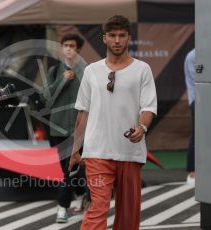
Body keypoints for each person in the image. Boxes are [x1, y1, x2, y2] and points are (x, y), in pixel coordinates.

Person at [68, 15, 157, 230]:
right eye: (113, 36)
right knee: (98, 206)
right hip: (97, 152)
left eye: (122, 35)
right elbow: (83, 112)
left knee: (128, 214)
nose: (117, 40)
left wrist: (142, 127)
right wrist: (75, 148)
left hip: (130, 151)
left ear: (128, 38)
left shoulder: (142, 69)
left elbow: (148, 108)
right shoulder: (91, 71)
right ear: (104, 39)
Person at [43, 33, 87, 223]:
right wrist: (62, 80)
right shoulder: (54, 70)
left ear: (78, 49)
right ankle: (82, 195)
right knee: (67, 171)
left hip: (80, 129)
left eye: (72, 45)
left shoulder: (87, 71)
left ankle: (62, 207)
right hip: (57, 128)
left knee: (70, 171)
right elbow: (46, 97)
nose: (68, 48)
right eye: (65, 45)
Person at [184, 48, 195, 185]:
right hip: (198, 101)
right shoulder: (192, 56)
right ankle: (193, 170)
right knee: (198, 134)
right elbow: (199, 79)